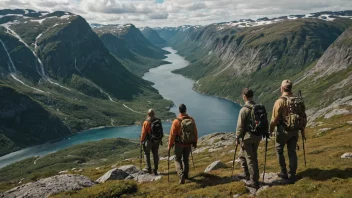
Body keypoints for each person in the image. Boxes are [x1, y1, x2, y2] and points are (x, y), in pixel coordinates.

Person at [270, 80, 307, 184]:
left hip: (283, 131)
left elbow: (274, 119)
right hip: (295, 131)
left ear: (281, 88)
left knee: (279, 150)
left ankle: (283, 172)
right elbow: (303, 117)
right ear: (291, 88)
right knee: (292, 152)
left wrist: (271, 130)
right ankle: (292, 174)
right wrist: (302, 130)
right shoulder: (297, 100)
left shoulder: (280, 101)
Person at [235, 88, 262, 189]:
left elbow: (240, 126)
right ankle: (247, 174)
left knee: (251, 158)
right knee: (242, 155)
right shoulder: (257, 107)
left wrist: (237, 138)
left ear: (244, 96)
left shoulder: (244, 109)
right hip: (257, 136)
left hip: (248, 138)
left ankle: (254, 182)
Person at [168, 104, 198, 184]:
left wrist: (170, 145)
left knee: (177, 159)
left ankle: (181, 176)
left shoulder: (176, 121)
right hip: (188, 144)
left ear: (179, 111)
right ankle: (186, 175)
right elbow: (195, 132)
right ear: (186, 110)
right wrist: (195, 142)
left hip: (179, 144)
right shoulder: (191, 119)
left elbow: (172, 135)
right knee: (186, 160)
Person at [140, 109, 163, 175]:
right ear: (154, 114)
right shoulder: (158, 121)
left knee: (146, 153)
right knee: (155, 154)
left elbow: (143, 133)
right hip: (157, 140)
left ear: (148, 114)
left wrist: (141, 141)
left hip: (149, 141)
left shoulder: (146, 122)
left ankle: (148, 168)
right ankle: (155, 169)